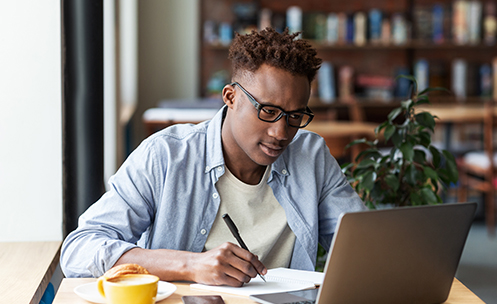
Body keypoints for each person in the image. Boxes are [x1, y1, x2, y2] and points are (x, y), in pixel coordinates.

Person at [61, 28, 367, 286]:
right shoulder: (166, 156)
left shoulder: (311, 156)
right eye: (268, 111)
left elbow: (364, 245)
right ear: (231, 97)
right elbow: (79, 249)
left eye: (295, 116)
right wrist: (190, 266)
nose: (280, 132)